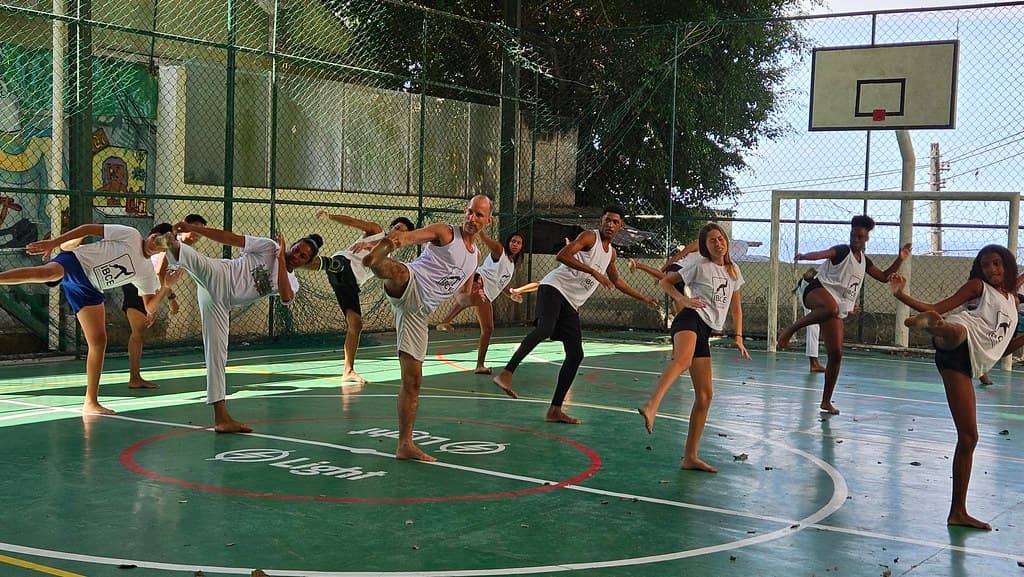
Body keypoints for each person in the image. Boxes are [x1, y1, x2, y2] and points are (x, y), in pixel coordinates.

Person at [888, 245, 1018, 530]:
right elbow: (945, 304)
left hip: (968, 362)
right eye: (986, 265)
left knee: (969, 437)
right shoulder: (977, 286)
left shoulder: (1011, 299)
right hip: (958, 345)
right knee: (957, 328)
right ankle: (936, 328)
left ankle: (957, 512)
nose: (992, 270)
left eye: (997, 264)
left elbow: (1005, 347)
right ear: (980, 269)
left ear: (1007, 266)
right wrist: (901, 296)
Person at [491, 205, 658, 422]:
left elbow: (616, 281)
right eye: (607, 220)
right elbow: (562, 255)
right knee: (545, 328)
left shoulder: (612, 254)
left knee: (576, 355)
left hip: (571, 303)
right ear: (601, 221)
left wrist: (644, 298)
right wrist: (593, 272)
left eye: (615, 222)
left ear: (621, 226)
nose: (610, 224)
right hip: (553, 288)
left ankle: (555, 410)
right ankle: (506, 374)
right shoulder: (590, 237)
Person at [362, 194, 493, 461]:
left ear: (488, 220)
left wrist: (474, 298)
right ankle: (374, 262)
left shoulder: (475, 257)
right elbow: (412, 237)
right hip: (411, 284)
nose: (472, 218)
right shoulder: (445, 233)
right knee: (398, 272)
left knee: (413, 381)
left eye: (479, 214)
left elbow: (461, 296)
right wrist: (395, 240)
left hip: (418, 315)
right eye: (469, 212)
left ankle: (404, 445)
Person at [160, 221, 322, 433]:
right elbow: (230, 238)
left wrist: (282, 260)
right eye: (295, 249)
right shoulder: (268, 246)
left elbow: (285, 296)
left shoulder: (292, 282)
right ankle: (169, 242)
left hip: (220, 302)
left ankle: (221, 418)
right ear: (291, 245)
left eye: (302, 256)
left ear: (307, 262)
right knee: (197, 261)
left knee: (217, 355)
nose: (296, 255)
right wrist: (195, 229)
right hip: (220, 274)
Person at [0, 223, 174, 414]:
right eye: (153, 239)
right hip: (77, 262)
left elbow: (149, 306)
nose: (153, 245)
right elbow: (88, 228)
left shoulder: (147, 271)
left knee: (98, 341)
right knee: (49, 272)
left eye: (160, 245)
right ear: (149, 234)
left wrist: (166, 287)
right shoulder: (131, 235)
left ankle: (91, 402)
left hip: (90, 289)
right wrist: (54, 243)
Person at [637, 223, 749, 472]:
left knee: (706, 396)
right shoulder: (698, 265)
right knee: (682, 360)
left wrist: (738, 336)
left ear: (726, 242)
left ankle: (690, 457)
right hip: (689, 320)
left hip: (705, 331)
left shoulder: (733, 270)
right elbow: (667, 282)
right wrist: (681, 299)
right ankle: (652, 405)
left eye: (720, 239)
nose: (718, 243)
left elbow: (736, 307)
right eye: (712, 241)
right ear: (704, 246)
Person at [776, 215, 911, 414]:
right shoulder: (842, 250)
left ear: (866, 239)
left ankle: (826, 401)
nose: (855, 239)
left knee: (836, 354)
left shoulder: (864, 261)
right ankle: (791, 329)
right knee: (831, 308)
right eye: (853, 235)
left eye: (859, 237)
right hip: (815, 291)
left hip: (835, 305)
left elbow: (883, 277)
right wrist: (806, 256)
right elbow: (824, 253)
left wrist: (900, 258)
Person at [302, 211, 414, 384]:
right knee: (337, 265)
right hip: (344, 264)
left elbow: (380, 265)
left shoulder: (388, 259)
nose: (398, 232)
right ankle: (291, 261)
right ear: (391, 227)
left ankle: (348, 370)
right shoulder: (376, 231)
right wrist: (330, 216)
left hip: (351, 283)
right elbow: (352, 220)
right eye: (397, 228)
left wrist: (372, 249)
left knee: (356, 324)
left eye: (403, 232)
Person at [106, 214, 207, 388]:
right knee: (138, 332)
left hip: (150, 287)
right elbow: (160, 271)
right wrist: (169, 298)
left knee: (140, 332)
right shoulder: (171, 244)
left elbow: (167, 276)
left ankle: (135, 377)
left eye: (201, 230)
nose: (197, 233)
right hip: (139, 284)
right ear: (182, 228)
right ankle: (134, 378)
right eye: (194, 227)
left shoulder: (186, 251)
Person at [435, 231, 526, 374]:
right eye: (513, 241)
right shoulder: (499, 251)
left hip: (487, 294)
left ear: (522, 247)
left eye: (519, 242)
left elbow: (499, 284)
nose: (515, 244)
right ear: (508, 242)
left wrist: (511, 295)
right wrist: (480, 227)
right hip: (478, 280)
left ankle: (479, 365)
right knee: (473, 296)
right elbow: (486, 239)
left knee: (488, 329)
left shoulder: (511, 264)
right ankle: (446, 319)